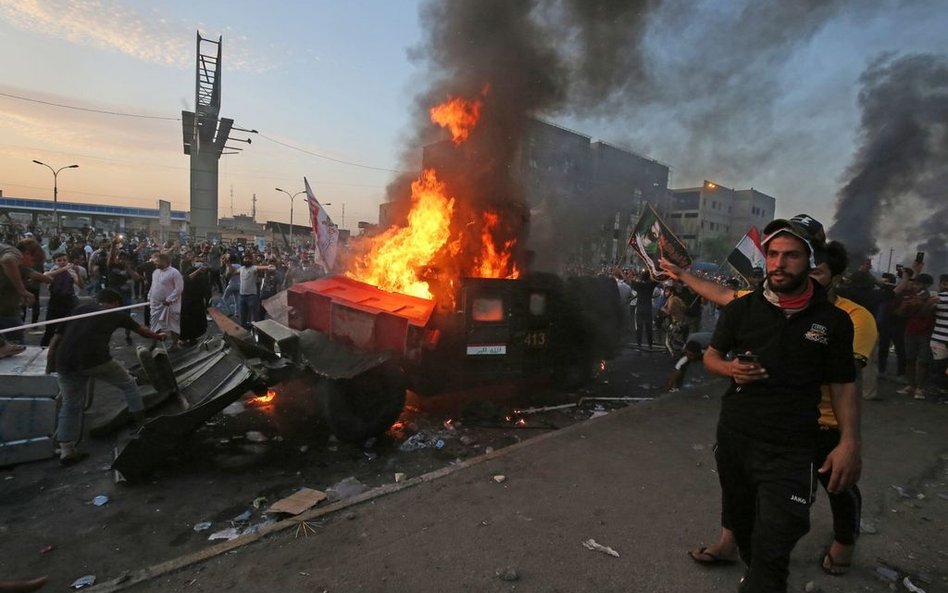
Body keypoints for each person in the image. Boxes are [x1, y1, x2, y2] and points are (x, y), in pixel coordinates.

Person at [666, 239, 876, 577]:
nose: (790, 269)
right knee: (740, 490)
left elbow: (844, 379)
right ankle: (731, 543)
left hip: (825, 422)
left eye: (816, 270)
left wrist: (849, 441)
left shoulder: (850, 319)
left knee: (838, 488)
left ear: (829, 276)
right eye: (775, 256)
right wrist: (682, 273)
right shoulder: (764, 305)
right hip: (761, 426)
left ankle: (843, 543)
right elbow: (722, 297)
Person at [52, 289, 166, 465]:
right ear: (114, 302)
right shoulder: (116, 313)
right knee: (129, 384)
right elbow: (142, 330)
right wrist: (159, 335)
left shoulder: (79, 309)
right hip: (95, 358)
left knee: (70, 405)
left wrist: (49, 363)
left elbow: (56, 338)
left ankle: (66, 449)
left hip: (65, 360)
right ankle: (141, 423)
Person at [895, 265, 936, 399]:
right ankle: (910, 385)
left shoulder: (933, 297)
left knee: (923, 361)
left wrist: (925, 303)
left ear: (926, 285)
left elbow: (926, 313)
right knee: (910, 359)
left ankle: (920, 388)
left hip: (926, 333)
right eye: (915, 284)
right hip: (910, 331)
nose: (915, 286)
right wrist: (905, 305)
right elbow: (900, 314)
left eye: (918, 284)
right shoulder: (909, 297)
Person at [0, 239, 48, 349]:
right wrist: (22, 290)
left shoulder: (19, 265)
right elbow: (7, 260)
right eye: (33, 261)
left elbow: (35, 274)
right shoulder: (14, 253)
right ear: (26, 254)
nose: (32, 265)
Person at [39, 253, 82, 347]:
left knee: (70, 328)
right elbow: (45, 276)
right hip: (55, 303)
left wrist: (78, 273)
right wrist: (62, 269)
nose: (62, 262)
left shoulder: (71, 272)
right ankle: (44, 347)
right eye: (59, 260)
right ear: (55, 262)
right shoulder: (52, 272)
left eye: (64, 260)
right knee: (50, 328)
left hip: (69, 302)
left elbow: (81, 285)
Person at [148, 252, 183, 348]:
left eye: (157, 261)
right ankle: (153, 344)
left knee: (173, 325)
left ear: (164, 261)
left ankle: (175, 344)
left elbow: (179, 288)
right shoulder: (155, 272)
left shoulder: (174, 272)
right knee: (154, 324)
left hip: (170, 305)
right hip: (155, 304)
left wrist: (169, 299)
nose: (155, 263)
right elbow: (153, 286)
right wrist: (149, 296)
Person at [238, 255, 273, 328]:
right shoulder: (241, 269)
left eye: (247, 258)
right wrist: (227, 263)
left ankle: (257, 329)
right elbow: (233, 272)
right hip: (242, 296)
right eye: (245, 258)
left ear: (250, 260)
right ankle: (245, 328)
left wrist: (268, 267)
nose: (246, 260)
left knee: (255, 315)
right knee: (243, 314)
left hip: (251, 296)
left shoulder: (253, 268)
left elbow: (259, 267)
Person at [630, 271, 657, 349]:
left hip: (640, 308)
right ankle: (650, 345)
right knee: (649, 327)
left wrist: (620, 272)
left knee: (639, 327)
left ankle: (639, 344)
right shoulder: (651, 285)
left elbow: (630, 280)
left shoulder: (638, 285)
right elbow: (656, 280)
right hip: (648, 308)